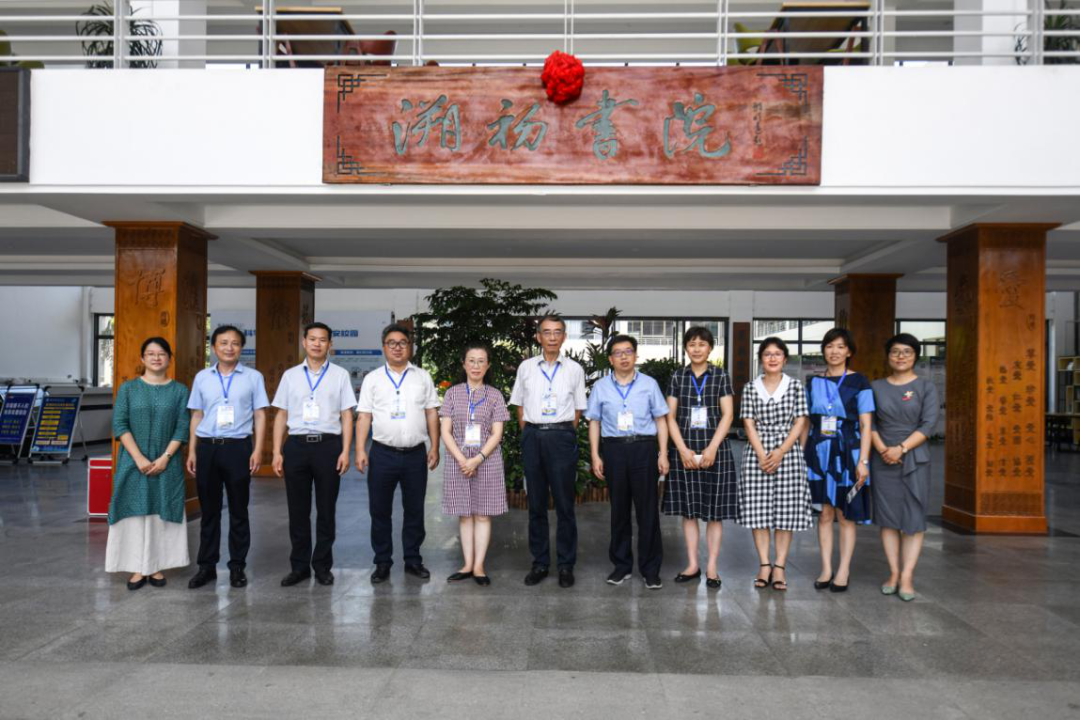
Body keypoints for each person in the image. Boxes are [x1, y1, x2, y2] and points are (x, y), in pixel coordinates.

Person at [271, 322, 356, 587]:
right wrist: (276, 451)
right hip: (296, 446)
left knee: (326, 510)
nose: (317, 344)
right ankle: (299, 567)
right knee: (298, 510)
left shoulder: (340, 375)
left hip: (328, 446)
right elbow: (281, 414)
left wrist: (346, 451)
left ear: (330, 344)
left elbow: (347, 415)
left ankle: (322, 566)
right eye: (312, 339)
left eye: (322, 340)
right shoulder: (290, 376)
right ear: (304, 342)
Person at [185, 325, 269, 590]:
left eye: (234, 343)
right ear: (214, 347)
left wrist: (257, 449)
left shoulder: (253, 377)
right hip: (208, 447)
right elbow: (196, 415)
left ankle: (237, 567)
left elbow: (260, 415)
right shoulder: (202, 378)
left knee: (238, 510)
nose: (229, 348)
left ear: (241, 348)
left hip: (238, 447)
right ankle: (206, 567)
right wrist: (192, 450)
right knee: (209, 511)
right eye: (223, 343)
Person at [356, 323, 441, 585]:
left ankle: (413, 559)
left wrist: (434, 446)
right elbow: (364, 416)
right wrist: (359, 449)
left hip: (415, 454)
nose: (397, 347)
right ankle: (382, 562)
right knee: (379, 510)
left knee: (414, 509)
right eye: (391, 343)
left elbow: (431, 413)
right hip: (382, 454)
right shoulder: (372, 379)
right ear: (384, 347)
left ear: (409, 347)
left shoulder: (422, 377)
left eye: (402, 343)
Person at [106, 337, 191, 590]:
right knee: (133, 513)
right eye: (151, 353)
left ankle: (155, 566)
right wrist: (139, 458)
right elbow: (120, 424)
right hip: (132, 461)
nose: (156, 358)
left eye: (161, 353)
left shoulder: (179, 391)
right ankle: (136, 567)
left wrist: (165, 457)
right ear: (142, 358)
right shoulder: (128, 389)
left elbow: (182, 427)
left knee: (160, 513)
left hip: (167, 463)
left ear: (169, 359)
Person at [510, 313, 587, 588]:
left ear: (564, 337)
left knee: (565, 505)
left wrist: (562, 432)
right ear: (538, 337)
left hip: (561, 436)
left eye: (557, 332)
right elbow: (519, 405)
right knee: (536, 504)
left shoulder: (575, 369)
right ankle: (540, 563)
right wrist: (531, 431)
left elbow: (578, 410)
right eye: (547, 332)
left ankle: (566, 565)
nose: (552, 337)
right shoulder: (526, 367)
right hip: (533, 435)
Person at [587, 334, 670, 589]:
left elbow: (661, 420)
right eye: (618, 353)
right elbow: (594, 422)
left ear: (636, 355)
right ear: (610, 359)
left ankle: (650, 569)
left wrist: (663, 453)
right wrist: (595, 454)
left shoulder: (649, 384)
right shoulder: (601, 386)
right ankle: (621, 566)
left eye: (628, 352)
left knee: (647, 511)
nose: (623, 357)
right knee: (619, 511)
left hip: (644, 448)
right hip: (614, 450)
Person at [663, 326, 738, 590]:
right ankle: (693, 564)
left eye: (702, 344)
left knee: (714, 513)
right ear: (686, 348)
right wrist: (681, 449)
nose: (697, 349)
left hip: (715, 450)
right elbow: (670, 416)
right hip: (685, 449)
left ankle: (712, 567)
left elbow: (728, 414)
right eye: (692, 344)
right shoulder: (678, 376)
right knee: (689, 511)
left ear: (710, 348)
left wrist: (713, 447)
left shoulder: (720, 375)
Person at [801, 327, 874, 593]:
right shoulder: (813, 383)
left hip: (848, 452)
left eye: (841, 347)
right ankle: (826, 568)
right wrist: (801, 456)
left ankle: (843, 570)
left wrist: (863, 461)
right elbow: (806, 423)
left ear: (849, 351)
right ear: (824, 350)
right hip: (819, 452)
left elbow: (866, 425)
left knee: (845, 514)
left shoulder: (860, 382)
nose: (834, 351)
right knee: (824, 514)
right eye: (830, 346)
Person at [870, 333, 939, 602]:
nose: (901, 356)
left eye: (907, 351)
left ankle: (908, 575)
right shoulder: (875, 387)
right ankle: (894, 573)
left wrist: (901, 448)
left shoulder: (925, 387)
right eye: (895, 351)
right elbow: (869, 423)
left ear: (915, 356)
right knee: (888, 519)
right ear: (888, 356)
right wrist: (883, 449)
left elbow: (929, 424)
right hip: (883, 458)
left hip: (914, 457)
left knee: (913, 518)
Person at [739, 337, 811, 592]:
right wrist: (762, 454)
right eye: (767, 354)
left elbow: (800, 421)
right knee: (758, 512)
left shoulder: (795, 386)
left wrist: (780, 451)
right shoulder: (751, 387)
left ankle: (779, 566)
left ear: (785, 358)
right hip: (756, 452)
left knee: (785, 512)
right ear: (761, 358)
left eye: (777, 354)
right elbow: (748, 423)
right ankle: (764, 564)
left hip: (787, 452)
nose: (772, 358)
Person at [439, 342, 510, 586]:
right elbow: (445, 431)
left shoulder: (495, 395)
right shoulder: (452, 393)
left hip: (487, 461)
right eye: (471, 360)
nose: (476, 365)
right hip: (458, 461)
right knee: (465, 515)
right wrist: (463, 460)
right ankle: (467, 564)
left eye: (481, 361)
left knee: (482, 515)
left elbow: (497, 433)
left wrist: (477, 458)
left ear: (488, 365)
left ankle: (479, 566)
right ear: (464, 364)